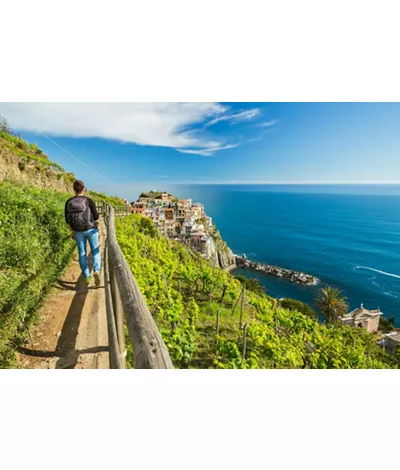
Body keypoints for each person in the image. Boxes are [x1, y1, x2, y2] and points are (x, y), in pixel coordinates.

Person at [65, 180, 101, 286]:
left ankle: (86, 276)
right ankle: (97, 270)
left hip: (78, 231)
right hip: (91, 229)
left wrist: (72, 231)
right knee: (95, 251)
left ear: (74, 190)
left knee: (82, 253)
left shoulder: (69, 202)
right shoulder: (88, 200)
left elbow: (67, 220)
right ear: (83, 189)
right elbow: (96, 216)